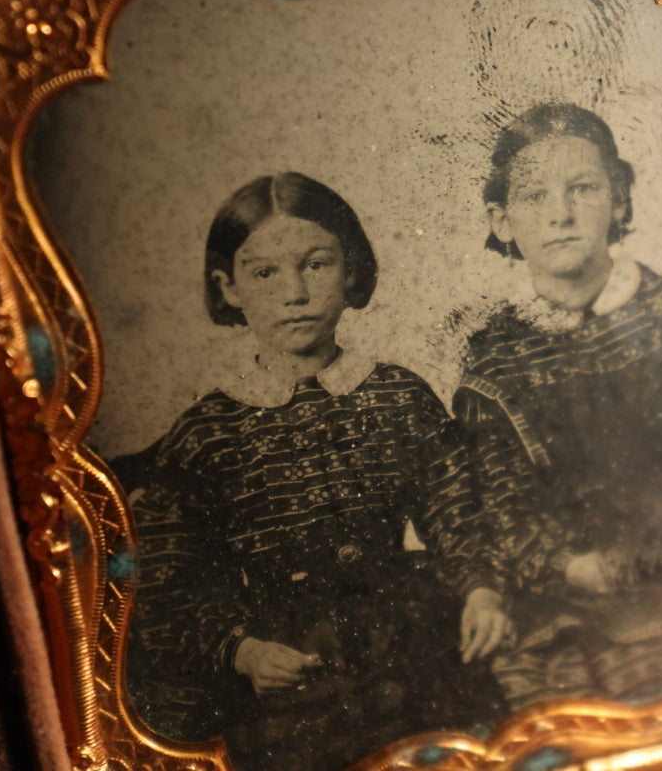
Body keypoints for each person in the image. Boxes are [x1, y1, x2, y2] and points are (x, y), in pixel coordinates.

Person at [127, 173, 509, 771]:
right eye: (265, 274)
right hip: (284, 674)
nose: (294, 293)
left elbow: (455, 510)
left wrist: (480, 589)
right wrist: (243, 651)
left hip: (405, 647)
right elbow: (171, 586)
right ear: (228, 288)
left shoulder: (397, 396)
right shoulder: (207, 435)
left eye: (316, 265)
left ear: (351, 271)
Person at [452, 103, 662, 709]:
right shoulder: (494, 358)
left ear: (619, 201)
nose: (561, 214)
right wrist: (570, 567)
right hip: (558, 587)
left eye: (583, 189)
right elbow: (501, 501)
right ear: (501, 219)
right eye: (535, 196)